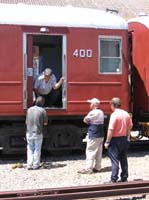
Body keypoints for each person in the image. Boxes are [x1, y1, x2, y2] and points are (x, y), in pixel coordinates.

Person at [104, 97, 133, 183]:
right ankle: (124, 177)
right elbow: (130, 126)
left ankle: (113, 179)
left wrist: (107, 141)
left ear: (113, 105)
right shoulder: (126, 114)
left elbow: (110, 129)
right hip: (124, 139)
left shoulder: (114, 115)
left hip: (115, 140)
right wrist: (128, 137)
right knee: (123, 159)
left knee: (115, 160)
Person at [78, 98, 104, 174]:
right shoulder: (101, 112)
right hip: (101, 134)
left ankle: (88, 169)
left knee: (90, 151)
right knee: (99, 152)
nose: (90, 105)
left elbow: (85, 120)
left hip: (94, 134)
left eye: (90, 103)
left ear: (93, 104)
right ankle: (98, 167)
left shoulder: (93, 112)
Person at [26, 96, 48, 170]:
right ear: (43, 103)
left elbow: (26, 122)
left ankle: (29, 165)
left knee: (30, 148)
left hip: (29, 132)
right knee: (37, 149)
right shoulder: (43, 111)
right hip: (38, 132)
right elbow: (45, 123)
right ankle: (35, 165)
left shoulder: (29, 110)